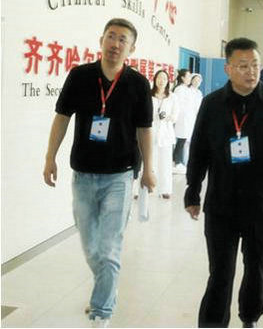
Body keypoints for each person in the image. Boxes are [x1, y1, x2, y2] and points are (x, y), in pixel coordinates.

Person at [43, 18, 155, 328]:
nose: (115, 44)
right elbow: (61, 117)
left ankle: (101, 312)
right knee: (91, 246)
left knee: (108, 248)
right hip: (83, 173)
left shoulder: (138, 84)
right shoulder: (80, 76)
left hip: (120, 175)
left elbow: (144, 130)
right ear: (101, 40)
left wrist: (149, 169)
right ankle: (108, 282)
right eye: (111, 36)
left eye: (122, 40)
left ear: (132, 48)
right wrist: (50, 157)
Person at [184, 37, 263, 328]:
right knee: (220, 271)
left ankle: (250, 318)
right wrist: (192, 190)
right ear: (228, 69)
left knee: (256, 267)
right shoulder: (212, 104)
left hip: (262, 203)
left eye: (256, 65)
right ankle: (213, 324)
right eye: (243, 66)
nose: (251, 72)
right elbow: (199, 150)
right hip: (221, 202)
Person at [151, 69, 179, 199]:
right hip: (151, 131)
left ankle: (165, 189)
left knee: (165, 163)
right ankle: (149, 187)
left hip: (166, 133)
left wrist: (166, 117)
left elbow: (175, 116)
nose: (161, 81)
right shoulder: (148, 95)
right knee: (150, 161)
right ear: (155, 79)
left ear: (168, 81)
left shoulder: (172, 97)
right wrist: (154, 116)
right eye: (159, 78)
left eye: (164, 78)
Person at [173, 68, 193, 174]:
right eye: (188, 76)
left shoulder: (186, 89)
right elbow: (178, 106)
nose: (190, 78)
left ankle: (178, 161)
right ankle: (177, 162)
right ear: (182, 78)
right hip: (181, 119)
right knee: (181, 140)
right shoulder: (179, 89)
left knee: (183, 140)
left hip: (186, 119)